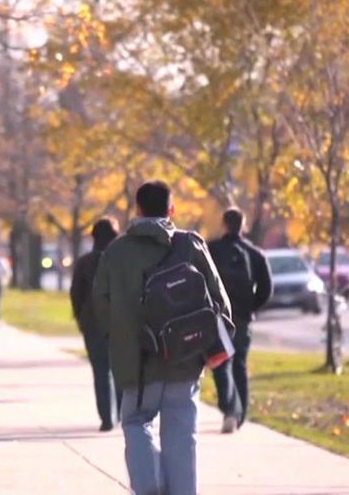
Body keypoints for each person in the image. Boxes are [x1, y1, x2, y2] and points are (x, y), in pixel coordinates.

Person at [92, 180, 232, 495]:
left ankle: (149, 486)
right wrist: (206, 346)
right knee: (182, 433)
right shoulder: (192, 244)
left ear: (137, 209)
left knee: (135, 422)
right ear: (172, 210)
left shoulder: (116, 252)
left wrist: (119, 338)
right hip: (185, 360)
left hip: (138, 365)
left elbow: (100, 304)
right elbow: (221, 305)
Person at [207, 207, 273, 433]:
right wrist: (250, 307)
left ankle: (229, 410)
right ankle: (239, 413)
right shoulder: (255, 254)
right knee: (240, 365)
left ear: (224, 224)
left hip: (217, 317)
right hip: (243, 318)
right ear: (243, 225)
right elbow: (266, 289)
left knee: (220, 363)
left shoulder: (211, 249)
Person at [70, 216, 122, 432]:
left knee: (100, 372)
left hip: (92, 323)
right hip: (120, 323)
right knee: (121, 371)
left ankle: (106, 417)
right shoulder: (122, 260)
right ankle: (120, 412)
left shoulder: (85, 262)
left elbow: (76, 294)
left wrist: (80, 318)